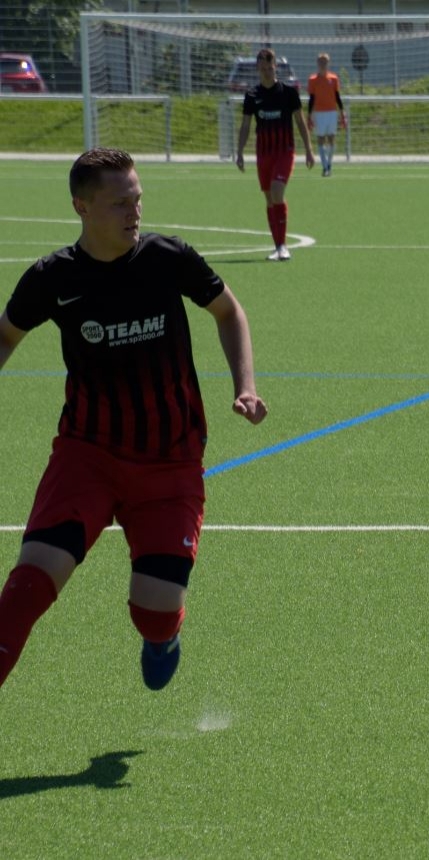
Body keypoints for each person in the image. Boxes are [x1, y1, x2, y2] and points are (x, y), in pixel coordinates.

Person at [0, 148, 268, 695]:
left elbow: (229, 312)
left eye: (137, 199)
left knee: (154, 614)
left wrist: (245, 386)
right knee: (28, 587)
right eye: (120, 202)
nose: (134, 211)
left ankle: (163, 636)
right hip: (87, 455)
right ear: (81, 206)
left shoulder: (168, 258)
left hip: (169, 461)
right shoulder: (53, 277)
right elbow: (5, 335)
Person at [236, 47, 314, 262]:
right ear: (257, 69)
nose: (267, 73)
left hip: (284, 152)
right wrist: (239, 152)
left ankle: (283, 246)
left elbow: (300, 122)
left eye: (270, 68)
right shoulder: (252, 95)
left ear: (275, 67)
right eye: (263, 69)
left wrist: (309, 149)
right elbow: (245, 126)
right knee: (269, 199)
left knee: (277, 191)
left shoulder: (289, 93)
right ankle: (277, 246)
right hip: (263, 154)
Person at [307, 52, 347, 178]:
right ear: (317, 63)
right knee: (320, 139)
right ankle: (324, 166)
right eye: (321, 61)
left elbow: (337, 97)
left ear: (328, 63)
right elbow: (311, 99)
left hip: (331, 112)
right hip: (319, 113)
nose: (323, 64)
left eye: (325, 62)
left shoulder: (333, 78)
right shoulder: (312, 80)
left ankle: (329, 164)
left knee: (331, 138)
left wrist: (342, 113)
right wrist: (309, 115)